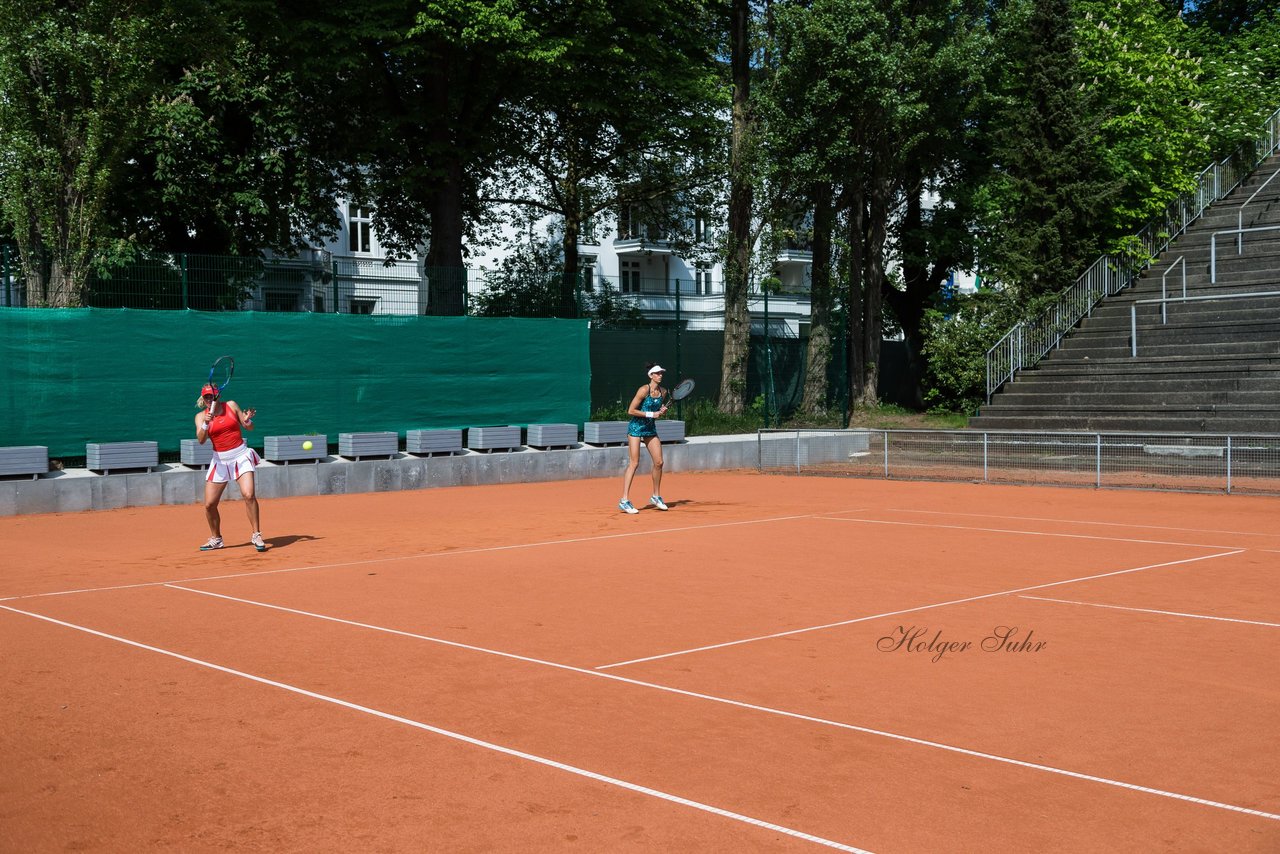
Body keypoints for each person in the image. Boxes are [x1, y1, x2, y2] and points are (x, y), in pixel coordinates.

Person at [194, 383, 265, 552]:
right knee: (209, 504)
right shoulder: (200, 416)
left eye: (212, 396)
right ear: (203, 400)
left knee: (249, 495)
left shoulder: (231, 405)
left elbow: (249, 427)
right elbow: (201, 440)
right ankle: (216, 539)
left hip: (241, 456)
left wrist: (247, 421)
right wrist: (205, 423)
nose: (209, 399)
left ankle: (256, 535)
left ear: (218, 396)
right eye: (206, 397)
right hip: (220, 461)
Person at [619, 363, 670, 514]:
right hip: (635, 428)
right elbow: (631, 410)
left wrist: (661, 410)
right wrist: (651, 414)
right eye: (658, 373)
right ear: (651, 375)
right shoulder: (643, 390)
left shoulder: (664, 392)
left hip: (650, 429)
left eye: (662, 373)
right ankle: (624, 500)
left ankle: (656, 496)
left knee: (659, 462)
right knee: (634, 463)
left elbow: (656, 411)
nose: (660, 375)